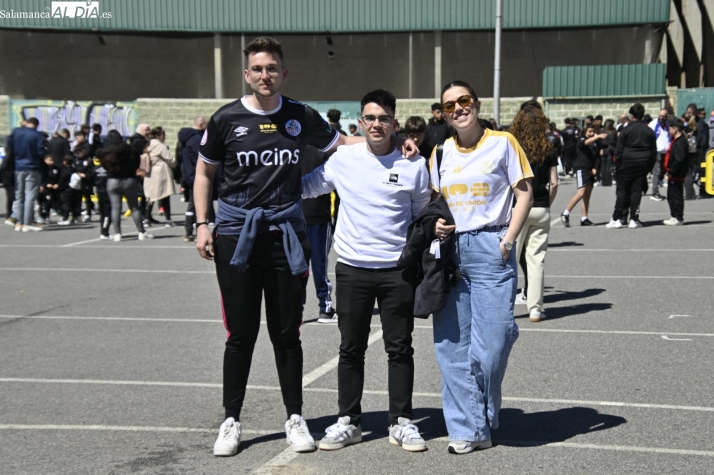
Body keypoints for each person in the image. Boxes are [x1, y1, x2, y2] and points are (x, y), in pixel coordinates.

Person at [193, 36, 417, 457]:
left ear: (284, 73)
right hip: (237, 234)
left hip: (286, 236)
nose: (265, 75)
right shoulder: (226, 119)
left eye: (272, 68)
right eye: (257, 69)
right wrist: (203, 223)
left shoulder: (300, 115)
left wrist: (398, 139)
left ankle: (294, 418)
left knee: (287, 334)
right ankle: (231, 420)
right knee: (240, 334)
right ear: (247, 74)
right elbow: (204, 174)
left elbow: (345, 142)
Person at [302, 89, 431, 452]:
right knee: (350, 348)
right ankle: (349, 421)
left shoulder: (413, 165)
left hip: (397, 271)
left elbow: (421, 214)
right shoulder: (344, 159)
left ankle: (401, 422)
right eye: (370, 118)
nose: (377, 124)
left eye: (384, 118)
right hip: (352, 269)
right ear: (360, 122)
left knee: (399, 348)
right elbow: (307, 187)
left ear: (395, 123)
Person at [431, 80, 533, 454]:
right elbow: (433, 202)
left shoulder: (503, 142)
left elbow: (524, 193)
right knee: (452, 348)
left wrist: (507, 241)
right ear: (443, 114)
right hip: (451, 252)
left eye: (463, 101)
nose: (458, 108)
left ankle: (482, 414)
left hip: (491, 247)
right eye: (449, 105)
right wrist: (435, 225)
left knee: (492, 346)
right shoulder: (440, 153)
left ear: (475, 103)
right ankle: (469, 429)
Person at [511, 103, 558, 322]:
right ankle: (536, 308)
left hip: (517, 207)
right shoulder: (548, 146)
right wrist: (547, 203)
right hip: (541, 206)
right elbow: (554, 182)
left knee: (510, 259)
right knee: (536, 260)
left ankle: (505, 307)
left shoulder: (513, 146)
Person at [300, 145, 337, 324]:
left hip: (296, 215)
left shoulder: (291, 146)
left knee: (297, 267)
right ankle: (325, 308)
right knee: (319, 265)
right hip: (319, 214)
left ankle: (296, 309)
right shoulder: (326, 147)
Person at [606, 103, 657, 229]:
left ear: (632, 115)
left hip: (626, 162)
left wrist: (617, 165)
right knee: (636, 192)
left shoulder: (626, 130)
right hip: (643, 162)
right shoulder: (649, 131)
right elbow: (653, 152)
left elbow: (619, 150)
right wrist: (649, 167)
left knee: (622, 191)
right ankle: (634, 219)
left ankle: (617, 218)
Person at [102, 142, 153, 241]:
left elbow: (102, 163)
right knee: (134, 207)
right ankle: (141, 232)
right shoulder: (131, 155)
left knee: (115, 208)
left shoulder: (110, 156)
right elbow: (137, 163)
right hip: (129, 180)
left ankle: (117, 233)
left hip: (113, 180)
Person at [561, 124, 607, 227]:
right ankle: (565, 213)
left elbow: (597, 157)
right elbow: (586, 142)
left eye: (593, 131)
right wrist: (598, 136)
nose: (591, 133)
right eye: (589, 131)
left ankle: (584, 218)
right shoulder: (582, 139)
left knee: (587, 195)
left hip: (590, 169)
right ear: (585, 131)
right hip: (581, 169)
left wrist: (595, 167)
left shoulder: (596, 143)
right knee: (580, 193)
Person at [7, 117, 45, 232]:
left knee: (19, 196)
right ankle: (27, 223)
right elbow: (40, 152)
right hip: (32, 167)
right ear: (36, 125)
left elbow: (9, 146)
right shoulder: (37, 135)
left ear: (27, 123)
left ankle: (18, 222)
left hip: (18, 166)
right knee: (30, 196)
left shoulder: (16, 131)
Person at [178, 117, 208, 241]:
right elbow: (201, 158)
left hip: (188, 174)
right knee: (195, 205)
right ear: (200, 125)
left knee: (193, 204)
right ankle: (190, 231)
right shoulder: (196, 139)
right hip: (195, 175)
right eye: (206, 126)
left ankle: (189, 231)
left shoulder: (186, 138)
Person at [145, 127, 176, 227]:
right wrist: (174, 164)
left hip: (149, 172)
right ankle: (168, 220)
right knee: (165, 195)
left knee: (150, 196)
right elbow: (170, 159)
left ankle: (146, 218)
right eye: (163, 134)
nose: (164, 136)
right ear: (158, 136)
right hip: (160, 173)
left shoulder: (148, 144)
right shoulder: (161, 146)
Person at [663, 119, 688, 225]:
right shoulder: (676, 140)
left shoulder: (680, 142)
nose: (669, 131)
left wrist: (671, 171)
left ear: (675, 129)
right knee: (671, 196)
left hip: (677, 173)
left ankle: (678, 217)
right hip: (674, 173)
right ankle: (674, 215)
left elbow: (679, 160)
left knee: (676, 196)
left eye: (670, 129)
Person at [130, 123, 152, 223]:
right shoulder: (139, 141)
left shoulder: (139, 140)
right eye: (146, 130)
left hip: (142, 170)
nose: (149, 132)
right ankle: (144, 215)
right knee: (145, 194)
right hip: (142, 171)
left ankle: (146, 215)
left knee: (145, 194)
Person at [649, 109, 670, 201]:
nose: (661, 118)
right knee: (656, 172)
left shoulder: (668, 124)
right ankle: (654, 193)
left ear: (667, 116)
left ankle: (659, 191)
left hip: (666, 151)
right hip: (657, 151)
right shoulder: (653, 124)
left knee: (661, 172)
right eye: (660, 116)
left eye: (663, 116)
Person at [57, 155, 80, 225]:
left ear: (65, 162)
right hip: (75, 189)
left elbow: (62, 179)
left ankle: (65, 217)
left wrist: (59, 185)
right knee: (74, 204)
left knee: (66, 204)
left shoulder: (64, 171)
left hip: (66, 189)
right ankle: (75, 217)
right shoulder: (74, 170)